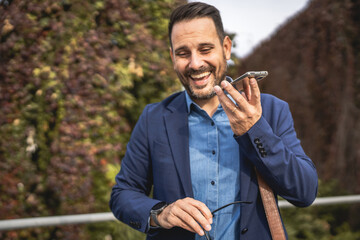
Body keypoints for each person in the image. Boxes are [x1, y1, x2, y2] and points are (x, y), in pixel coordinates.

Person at [109, 2, 318, 240]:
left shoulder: (271, 110)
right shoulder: (153, 118)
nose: (195, 63)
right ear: (172, 56)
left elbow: (305, 192)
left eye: (205, 49)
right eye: (183, 53)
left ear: (226, 48)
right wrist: (160, 213)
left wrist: (255, 129)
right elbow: (122, 194)